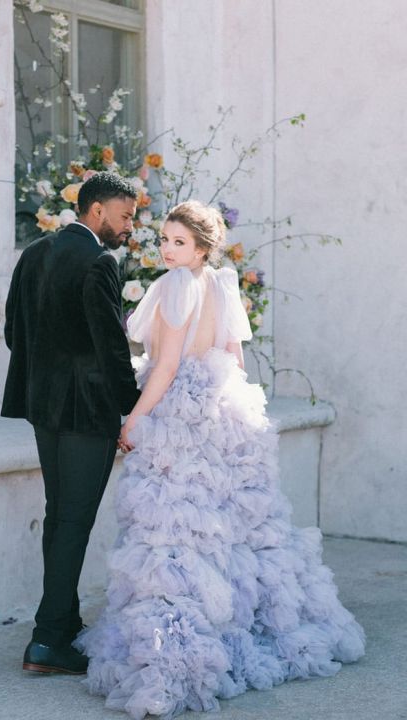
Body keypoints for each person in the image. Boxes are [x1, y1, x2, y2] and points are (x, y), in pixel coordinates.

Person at [74, 200, 365, 718]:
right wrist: (224, 407)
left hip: (177, 414)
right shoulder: (223, 284)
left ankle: (179, 648)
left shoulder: (171, 288)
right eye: (163, 239)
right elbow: (232, 356)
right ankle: (241, 628)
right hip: (218, 407)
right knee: (231, 527)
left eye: (178, 242)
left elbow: (163, 368)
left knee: (175, 532)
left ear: (202, 247)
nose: (166, 248)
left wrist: (136, 418)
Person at [1, 172, 140, 675]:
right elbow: (111, 349)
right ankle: (46, 641)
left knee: (60, 516)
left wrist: (49, 377)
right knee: (73, 522)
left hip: (44, 411)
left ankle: (61, 622)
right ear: (97, 211)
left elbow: (12, 331)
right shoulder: (100, 261)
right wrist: (136, 408)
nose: (131, 227)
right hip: (87, 414)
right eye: (125, 216)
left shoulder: (36, 252)